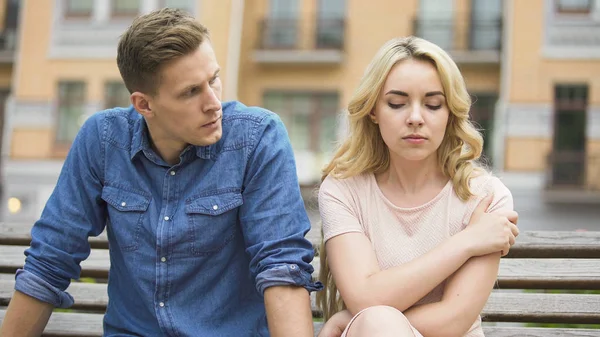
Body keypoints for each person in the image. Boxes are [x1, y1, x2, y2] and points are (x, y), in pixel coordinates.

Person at [0, 8, 321, 337]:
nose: (212, 103)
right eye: (191, 92)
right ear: (144, 105)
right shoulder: (103, 140)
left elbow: (282, 267)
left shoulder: (256, 139)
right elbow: (51, 259)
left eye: (213, 80)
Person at [315, 36, 519, 337]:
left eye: (433, 105)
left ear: (450, 113)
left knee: (377, 321)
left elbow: (454, 320)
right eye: (397, 103)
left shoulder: (486, 198)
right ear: (373, 110)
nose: (415, 118)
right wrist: (466, 242)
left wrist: (351, 319)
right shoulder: (343, 190)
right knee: (376, 322)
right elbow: (366, 298)